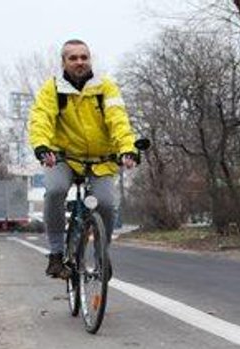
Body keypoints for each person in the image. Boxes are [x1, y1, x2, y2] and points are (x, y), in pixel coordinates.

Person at [28, 39, 138, 279]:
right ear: (64, 62)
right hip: (63, 156)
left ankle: (101, 254)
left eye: (84, 57)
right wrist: (42, 145)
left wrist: (127, 148)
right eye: (73, 58)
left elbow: (118, 119)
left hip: (100, 159)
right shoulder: (53, 89)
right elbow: (41, 118)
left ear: (90, 59)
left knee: (107, 204)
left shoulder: (105, 87)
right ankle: (57, 254)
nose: (80, 62)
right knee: (56, 190)